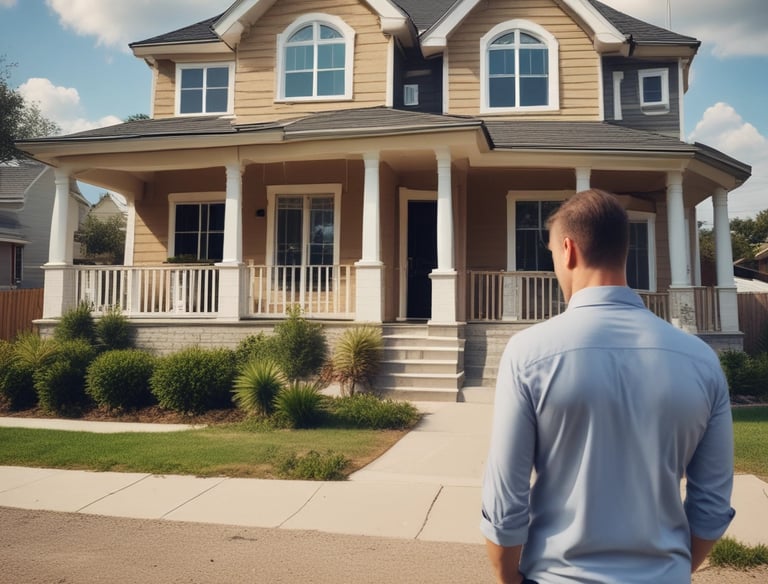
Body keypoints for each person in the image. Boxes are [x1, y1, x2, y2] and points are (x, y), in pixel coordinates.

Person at [480, 189, 735, 583]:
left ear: (567, 250)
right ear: (623, 251)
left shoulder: (528, 353)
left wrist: (507, 578)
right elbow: (712, 505)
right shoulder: (701, 360)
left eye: (552, 256)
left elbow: (505, 500)